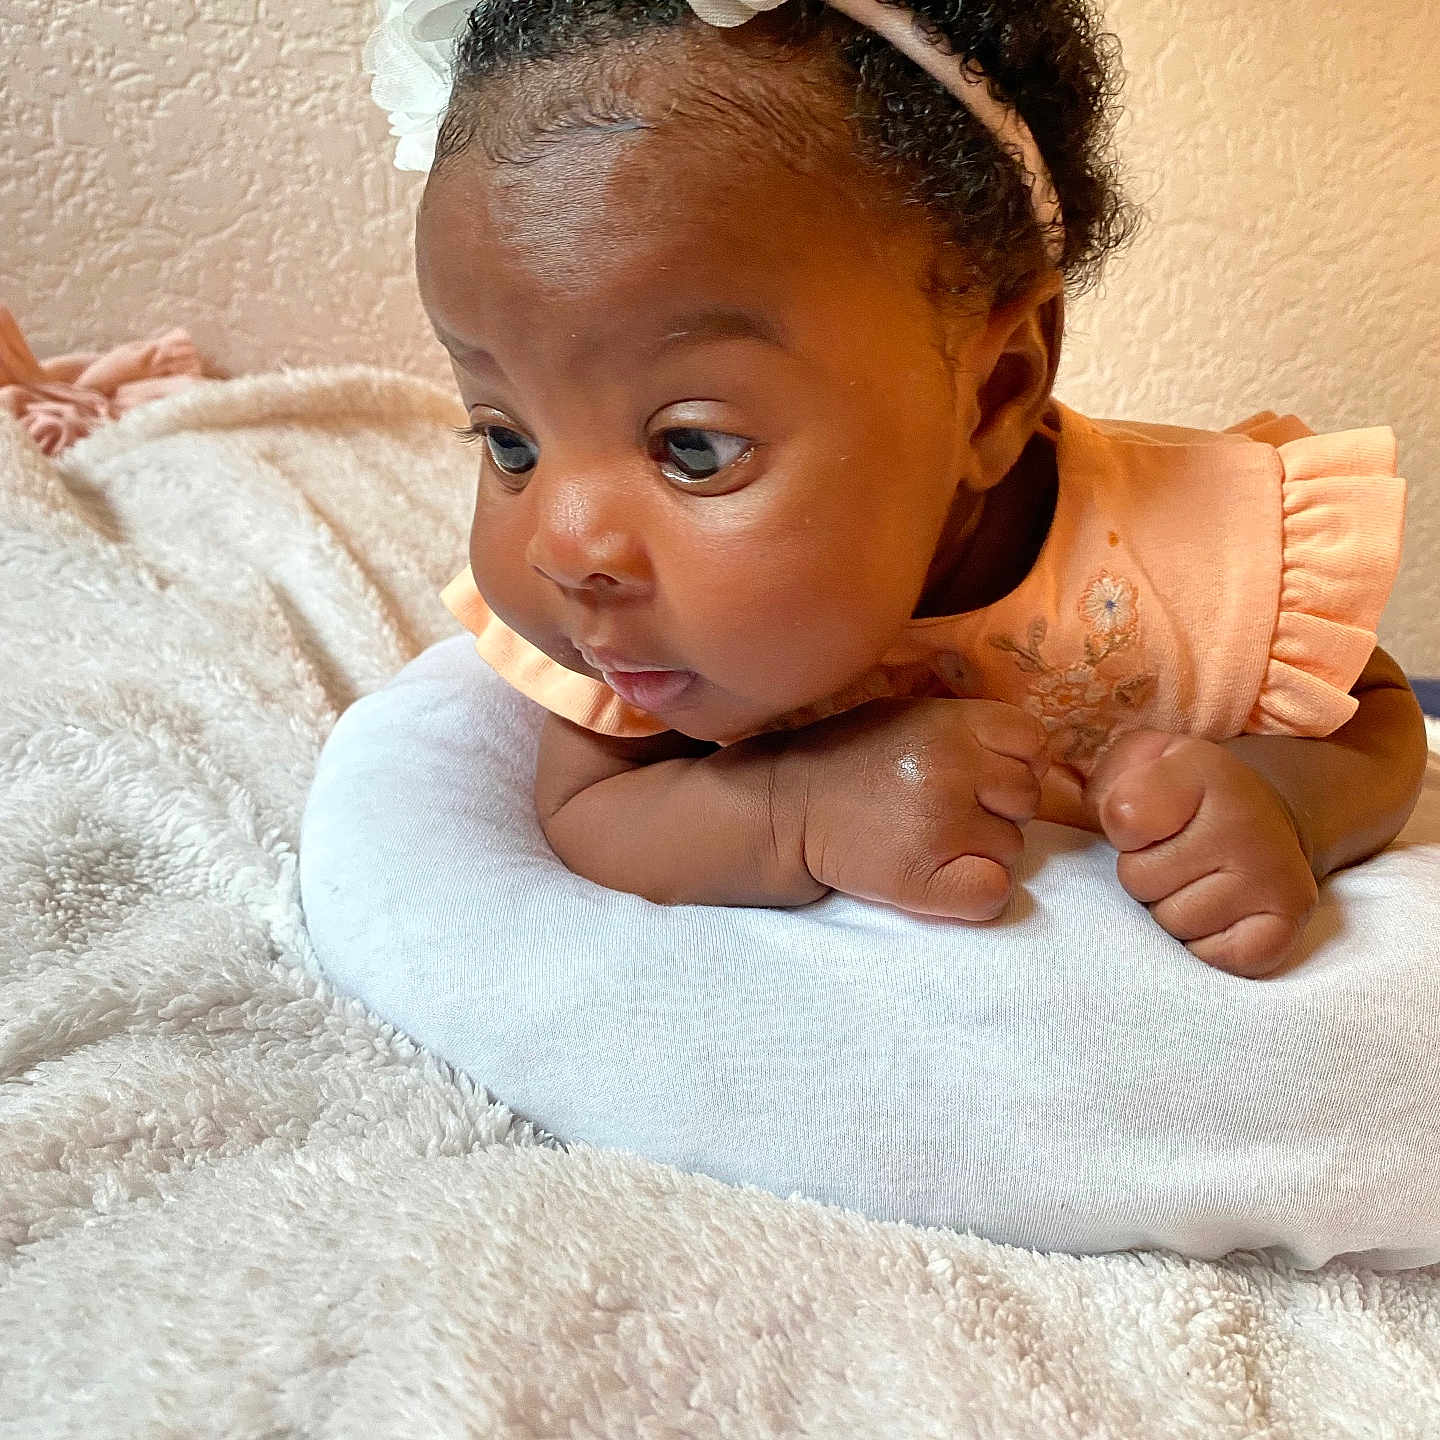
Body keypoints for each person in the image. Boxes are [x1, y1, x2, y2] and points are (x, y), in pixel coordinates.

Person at [386, 0, 1427, 981]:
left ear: (992, 394)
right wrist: (791, 811)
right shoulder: (641, 643)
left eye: (692, 449)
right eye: (509, 441)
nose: (564, 546)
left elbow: (1378, 719)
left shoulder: (1190, 556)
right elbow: (590, 814)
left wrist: (1292, 807)